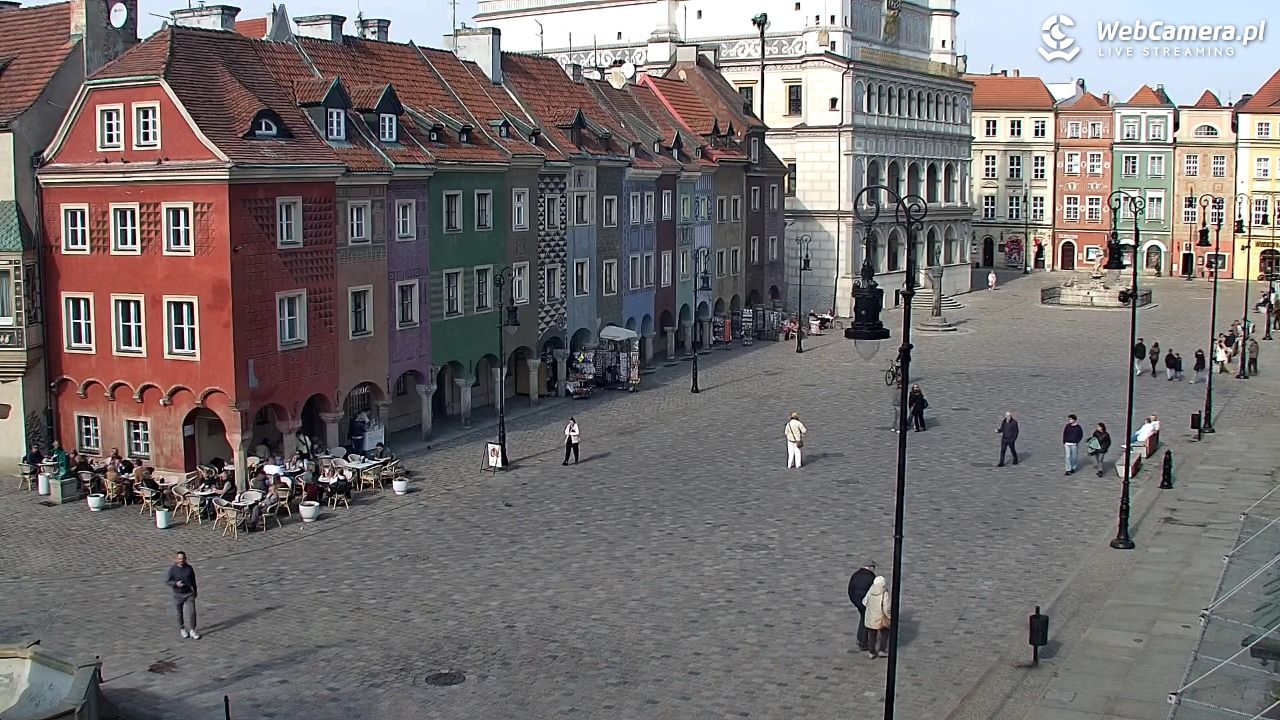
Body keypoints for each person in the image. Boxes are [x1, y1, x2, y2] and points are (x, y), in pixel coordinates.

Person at [165, 551, 200, 640]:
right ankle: (182, 628)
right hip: (178, 594)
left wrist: (195, 590)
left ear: (185, 558)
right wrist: (176, 583)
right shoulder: (173, 569)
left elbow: (193, 580)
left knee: (192, 612)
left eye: (183, 558)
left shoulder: (189, 568)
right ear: (177, 559)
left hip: (189, 593)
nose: (182, 560)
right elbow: (168, 581)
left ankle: (192, 630)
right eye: (180, 559)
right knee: (179, 613)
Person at [847, 561, 877, 652]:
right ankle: (863, 642)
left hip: (857, 601)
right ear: (870, 567)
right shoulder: (871, 577)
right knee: (866, 621)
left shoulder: (855, 575)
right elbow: (873, 592)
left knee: (863, 618)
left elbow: (850, 589)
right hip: (866, 603)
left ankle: (860, 639)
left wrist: (855, 601)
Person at [862, 576, 892, 659]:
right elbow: (886, 608)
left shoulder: (871, 590)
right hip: (881, 617)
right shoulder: (884, 593)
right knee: (885, 632)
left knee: (872, 634)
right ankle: (882, 650)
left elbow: (864, 602)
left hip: (871, 617)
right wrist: (889, 617)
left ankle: (871, 652)